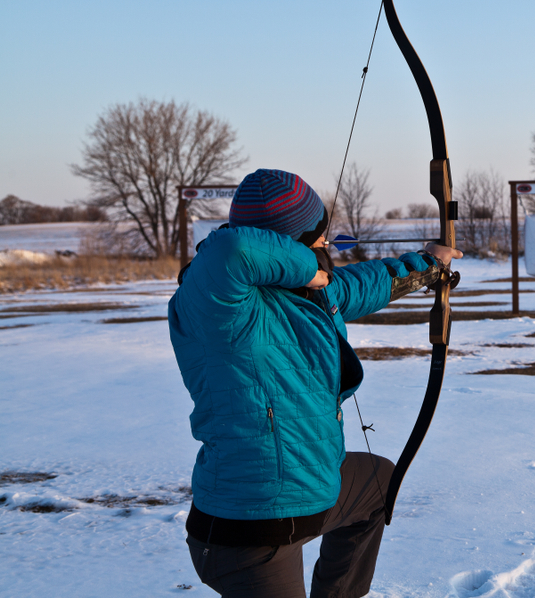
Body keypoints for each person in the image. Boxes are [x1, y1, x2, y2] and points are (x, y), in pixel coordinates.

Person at [168, 168, 461, 597]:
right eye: (318, 236)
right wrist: (310, 265)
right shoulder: (219, 301)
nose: (326, 244)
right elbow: (231, 250)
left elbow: (363, 284)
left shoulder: (305, 295)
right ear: (290, 243)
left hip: (309, 494)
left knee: (379, 485)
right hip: (249, 530)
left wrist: (428, 266)